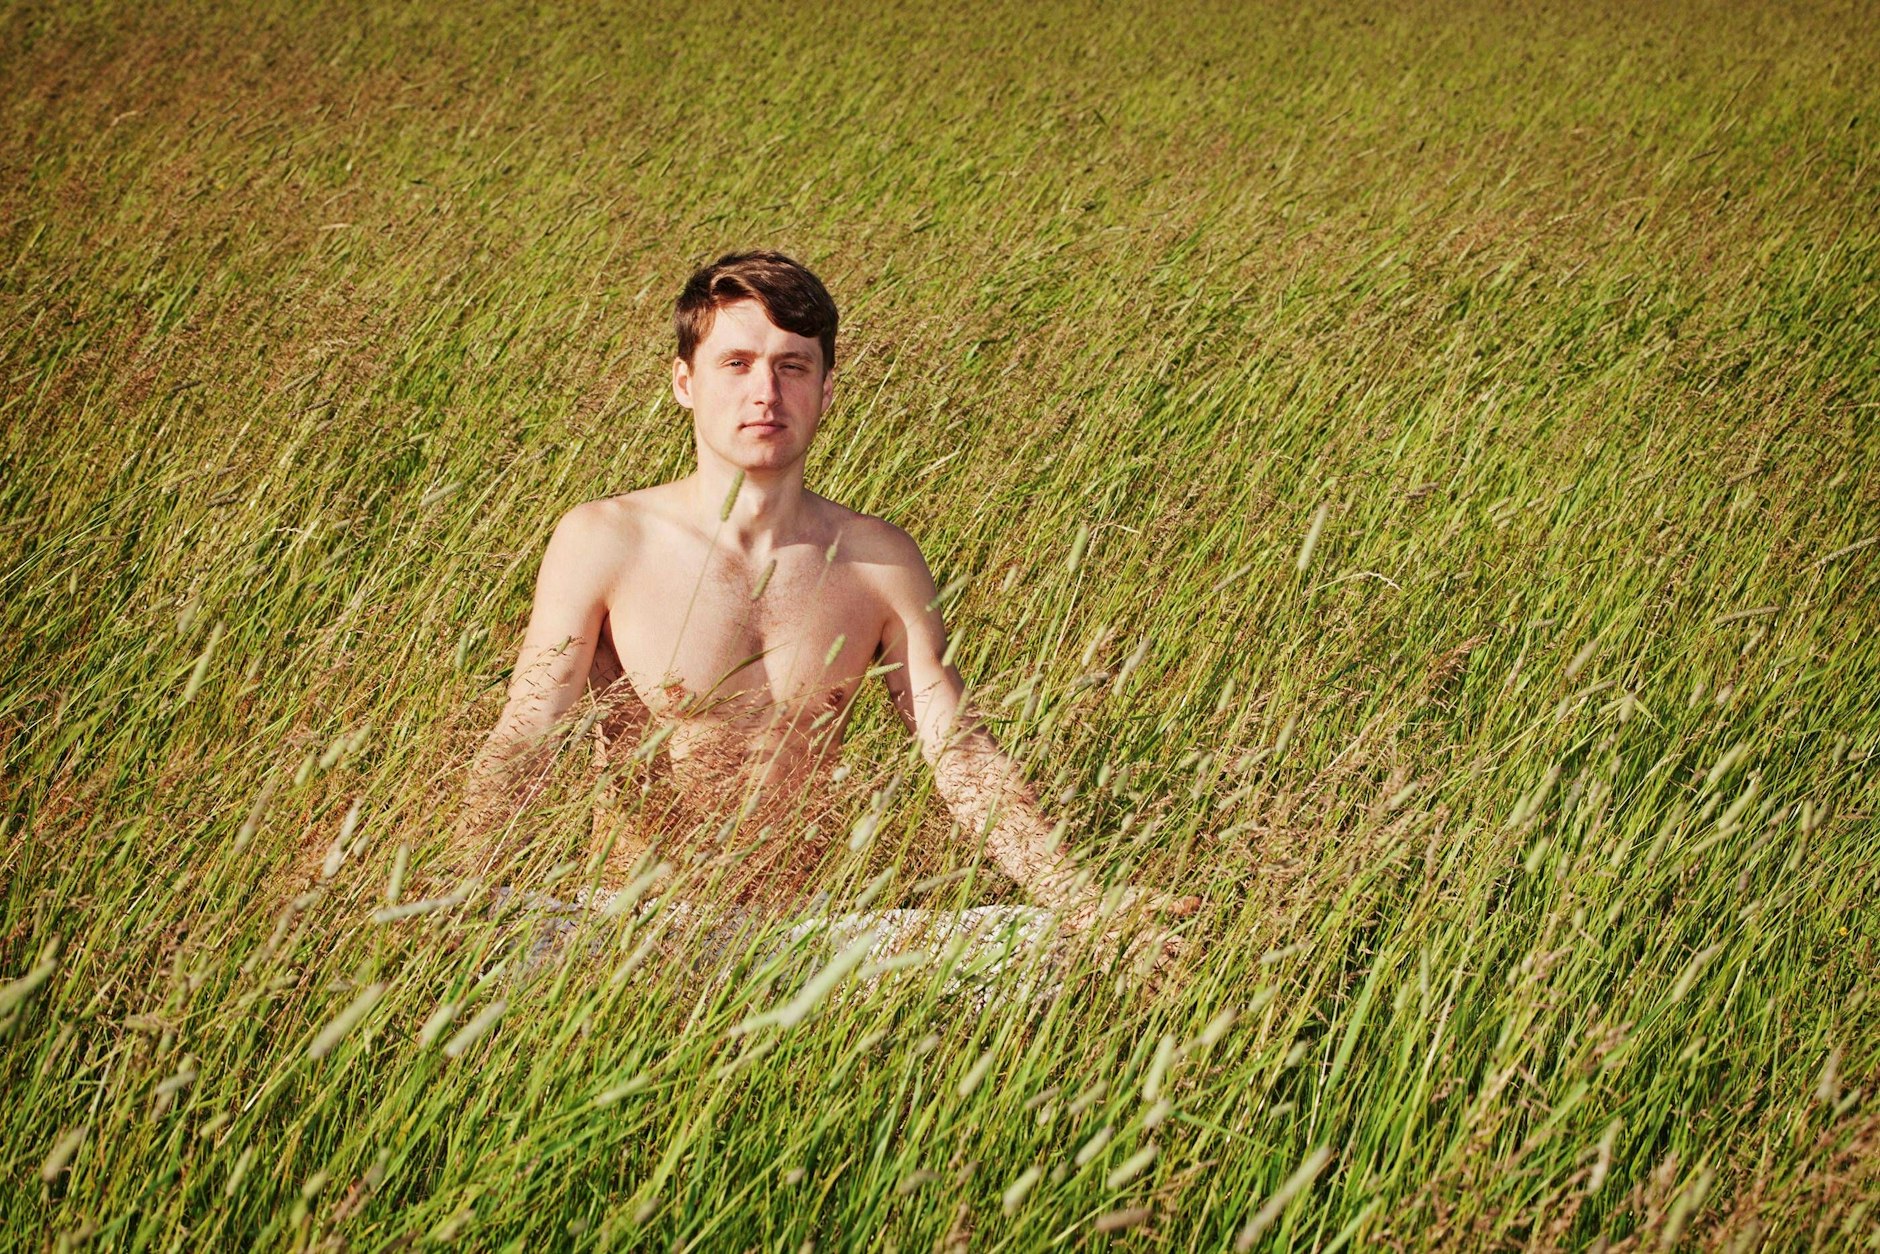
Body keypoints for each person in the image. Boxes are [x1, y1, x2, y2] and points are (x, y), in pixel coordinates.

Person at [447, 250, 1195, 976]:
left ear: (827, 389)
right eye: (736, 363)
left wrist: (1085, 905)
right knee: (497, 945)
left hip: (809, 939)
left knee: (1058, 947)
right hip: (630, 930)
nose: (765, 393)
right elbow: (528, 729)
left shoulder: (878, 560)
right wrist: (458, 888)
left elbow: (959, 751)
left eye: (792, 366)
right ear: (684, 383)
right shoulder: (607, 539)